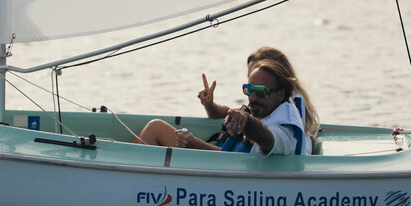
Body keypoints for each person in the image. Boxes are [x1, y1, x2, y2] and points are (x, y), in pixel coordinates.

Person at [133, 58, 310, 156]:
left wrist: (196, 144)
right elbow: (224, 114)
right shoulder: (263, 109)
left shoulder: (284, 131)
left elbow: (267, 139)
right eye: (249, 90)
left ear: (281, 94)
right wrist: (209, 104)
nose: (253, 97)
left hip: (224, 174)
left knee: (154, 127)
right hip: (218, 162)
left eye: (261, 91)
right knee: (142, 132)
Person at [198, 46, 319, 138]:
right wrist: (210, 105)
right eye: (250, 76)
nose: (253, 81)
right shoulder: (265, 102)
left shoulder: (288, 107)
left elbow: (266, 139)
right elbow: (231, 112)